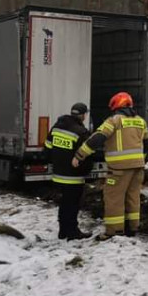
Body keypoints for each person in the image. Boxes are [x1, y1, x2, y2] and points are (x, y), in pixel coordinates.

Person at [73, 91, 148, 238]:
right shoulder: (141, 121)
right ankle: (132, 228)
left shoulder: (114, 121)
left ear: (116, 105)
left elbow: (98, 138)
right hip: (138, 168)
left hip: (119, 169)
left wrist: (79, 155)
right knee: (133, 197)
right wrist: (142, 161)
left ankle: (114, 231)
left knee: (113, 198)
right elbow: (146, 145)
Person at [44, 102, 92, 240]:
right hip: (73, 176)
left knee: (64, 203)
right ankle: (72, 231)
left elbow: (47, 147)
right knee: (73, 204)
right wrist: (86, 170)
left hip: (58, 174)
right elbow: (87, 155)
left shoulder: (57, 127)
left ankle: (63, 230)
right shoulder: (81, 132)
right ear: (83, 115)